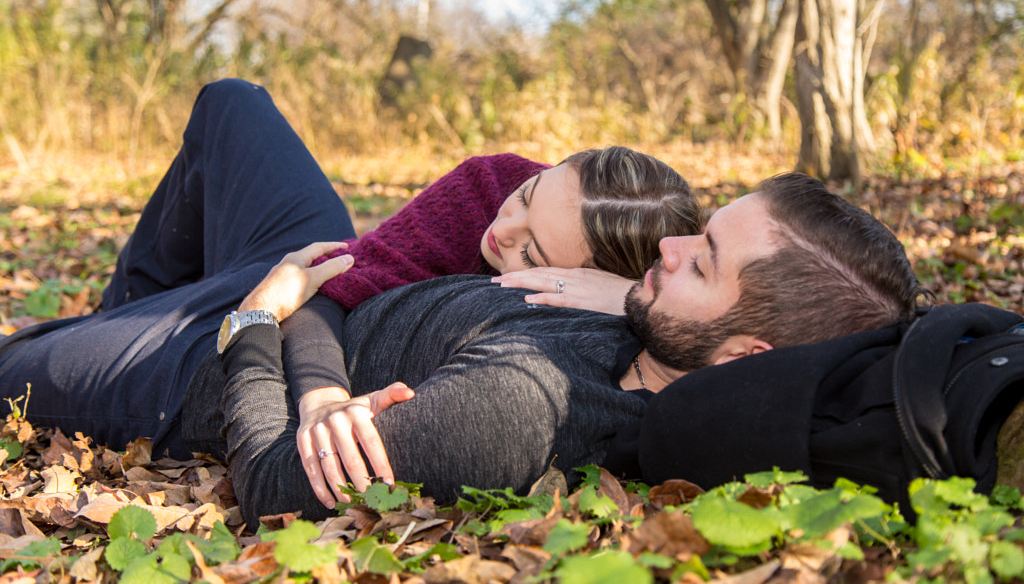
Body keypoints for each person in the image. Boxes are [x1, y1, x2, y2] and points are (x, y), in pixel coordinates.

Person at [0, 139, 920, 532]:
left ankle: (126, 325)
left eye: (704, 262)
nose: (673, 248)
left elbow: (279, 480)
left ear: (743, 358)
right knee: (230, 108)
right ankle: (132, 302)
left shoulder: (523, 408)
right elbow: (363, 278)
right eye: (697, 227)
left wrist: (254, 318)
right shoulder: (635, 303)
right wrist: (615, 290)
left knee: (13, 362)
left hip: (206, 362)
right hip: (322, 273)